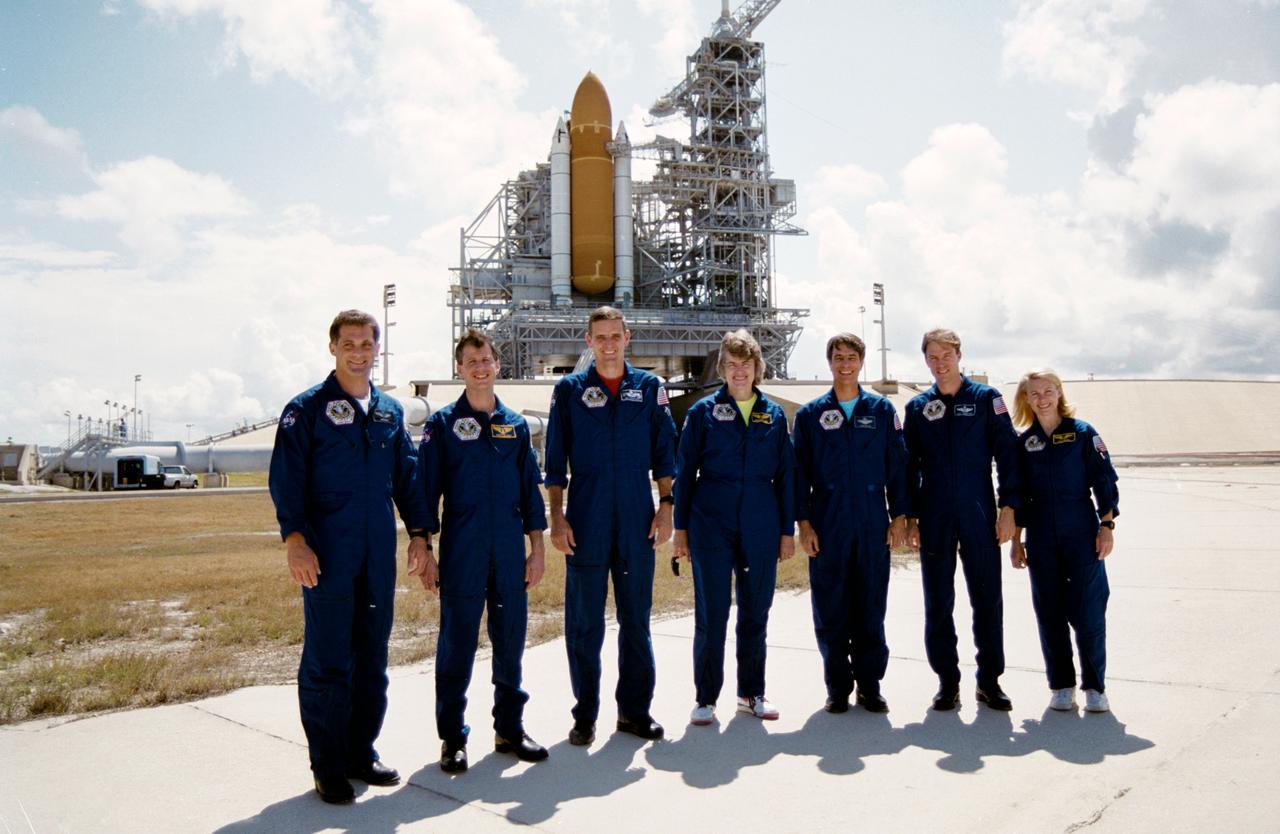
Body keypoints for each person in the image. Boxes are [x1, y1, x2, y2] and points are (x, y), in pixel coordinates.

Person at [268, 309, 429, 804]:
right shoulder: (307, 409)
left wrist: (421, 534)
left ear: (377, 350)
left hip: (377, 552)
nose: (359, 352)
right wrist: (296, 540)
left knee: (372, 657)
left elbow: (407, 476)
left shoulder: (387, 411)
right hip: (327, 553)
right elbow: (287, 480)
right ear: (333, 348)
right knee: (327, 660)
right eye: (350, 344)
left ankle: (362, 750)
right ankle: (328, 764)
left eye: (367, 344)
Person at [412, 329, 549, 773]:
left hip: (509, 550)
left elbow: (531, 491)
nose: (480, 368)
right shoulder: (443, 425)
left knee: (510, 644)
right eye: (471, 361)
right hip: (463, 550)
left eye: (486, 360)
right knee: (457, 646)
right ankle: (453, 737)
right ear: (460, 369)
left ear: (497, 365)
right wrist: (426, 548)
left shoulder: (514, 425)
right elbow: (426, 490)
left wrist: (537, 549)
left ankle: (510, 728)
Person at [544, 305, 678, 745]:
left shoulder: (650, 388)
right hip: (586, 514)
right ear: (588, 341)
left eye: (614, 336)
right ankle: (585, 715)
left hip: (637, 514)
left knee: (636, 618)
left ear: (627, 337)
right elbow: (555, 461)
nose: (607, 344)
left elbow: (664, 452)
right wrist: (557, 516)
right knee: (584, 623)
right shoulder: (569, 391)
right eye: (599, 337)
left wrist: (666, 506)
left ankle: (634, 712)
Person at [672, 330, 795, 725]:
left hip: (761, 521)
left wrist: (786, 530)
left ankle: (751, 693)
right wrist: (681, 530)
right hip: (711, 522)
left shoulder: (773, 415)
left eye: (745, 364)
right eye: (731, 365)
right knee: (712, 613)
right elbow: (685, 473)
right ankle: (705, 697)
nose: (738, 372)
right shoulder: (703, 413)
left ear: (757, 368)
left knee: (756, 610)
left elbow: (787, 477)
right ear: (722, 369)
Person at [903, 328, 1020, 712]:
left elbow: (1008, 456)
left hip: (979, 511)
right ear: (926, 361)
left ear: (959, 354)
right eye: (932, 357)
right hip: (935, 514)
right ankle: (947, 682)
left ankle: (989, 681)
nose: (940, 363)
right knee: (938, 601)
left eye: (945, 355)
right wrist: (911, 517)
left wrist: (1009, 509)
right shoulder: (919, 407)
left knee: (987, 599)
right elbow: (909, 467)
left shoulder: (987, 400)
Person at [793, 333, 908, 714]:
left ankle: (870, 686)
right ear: (830, 363)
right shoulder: (811, 415)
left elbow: (898, 466)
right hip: (828, 522)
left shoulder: (881, 409)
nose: (845, 364)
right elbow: (798, 474)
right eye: (838, 357)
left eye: (852, 357)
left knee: (870, 605)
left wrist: (899, 516)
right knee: (831, 607)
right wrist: (804, 525)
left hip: (872, 521)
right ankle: (838, 687)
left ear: (861, 362)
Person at [1009, 369, 1119, 713]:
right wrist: (1017, 541)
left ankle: (1094, 688)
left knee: (1088, 612)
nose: (1041, 398)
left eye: (1047, 391)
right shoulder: (1025, 443)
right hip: (1041, 535)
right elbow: (1019, 495)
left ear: (1058, 393)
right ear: (1026, 399)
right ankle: (1061, 686)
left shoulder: (1083, 434)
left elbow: (1104, 480)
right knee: (1050, 613)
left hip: (1080, 529)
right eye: (1034, 393)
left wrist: (1107, 525)